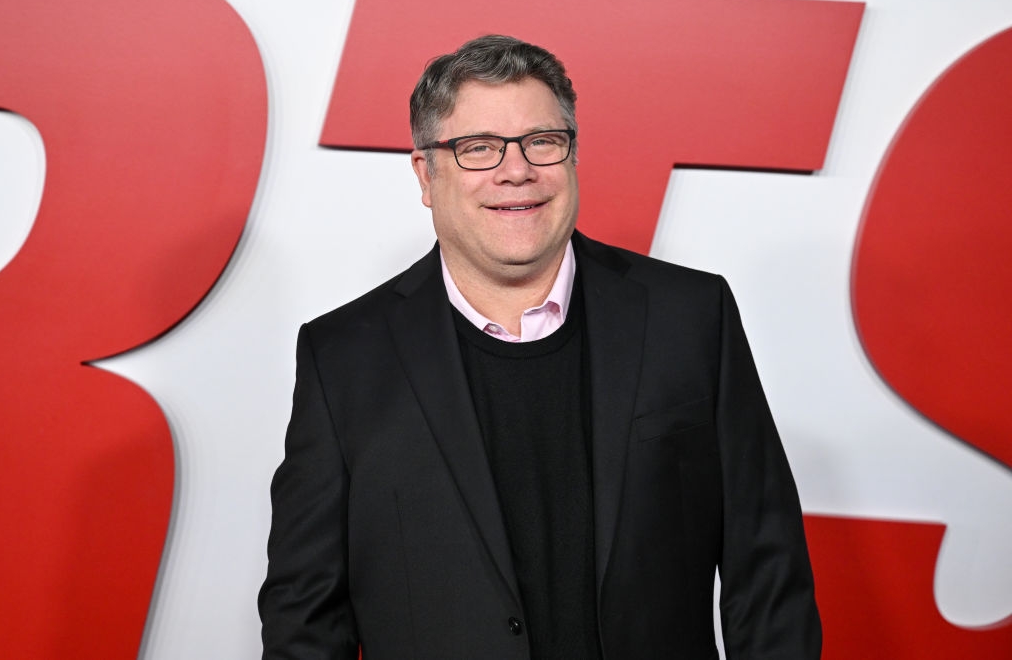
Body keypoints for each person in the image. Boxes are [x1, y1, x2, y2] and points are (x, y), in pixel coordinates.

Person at [259, 34, 821, 660]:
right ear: (426, 173)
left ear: (572, 154)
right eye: (478, 148)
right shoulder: (343, 357)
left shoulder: (689, 317)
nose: (517, 170)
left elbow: (767, 571)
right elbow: (305, 617)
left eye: (542, 142)